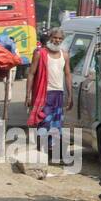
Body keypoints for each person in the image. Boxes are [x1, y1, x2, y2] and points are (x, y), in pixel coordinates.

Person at [28, 28, 72, 160]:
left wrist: (70, 95)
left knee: (56, 125)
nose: (57, 40)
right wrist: (28, 95)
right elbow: (31, 74)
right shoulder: (40, 53)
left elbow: (68, 75)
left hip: (58, 94)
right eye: (55, 37)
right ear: (50, 38)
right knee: (44, 123)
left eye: (60, 39)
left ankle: (52, 154)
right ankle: (39, 152)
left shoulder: (64, 55)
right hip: (44, 94)